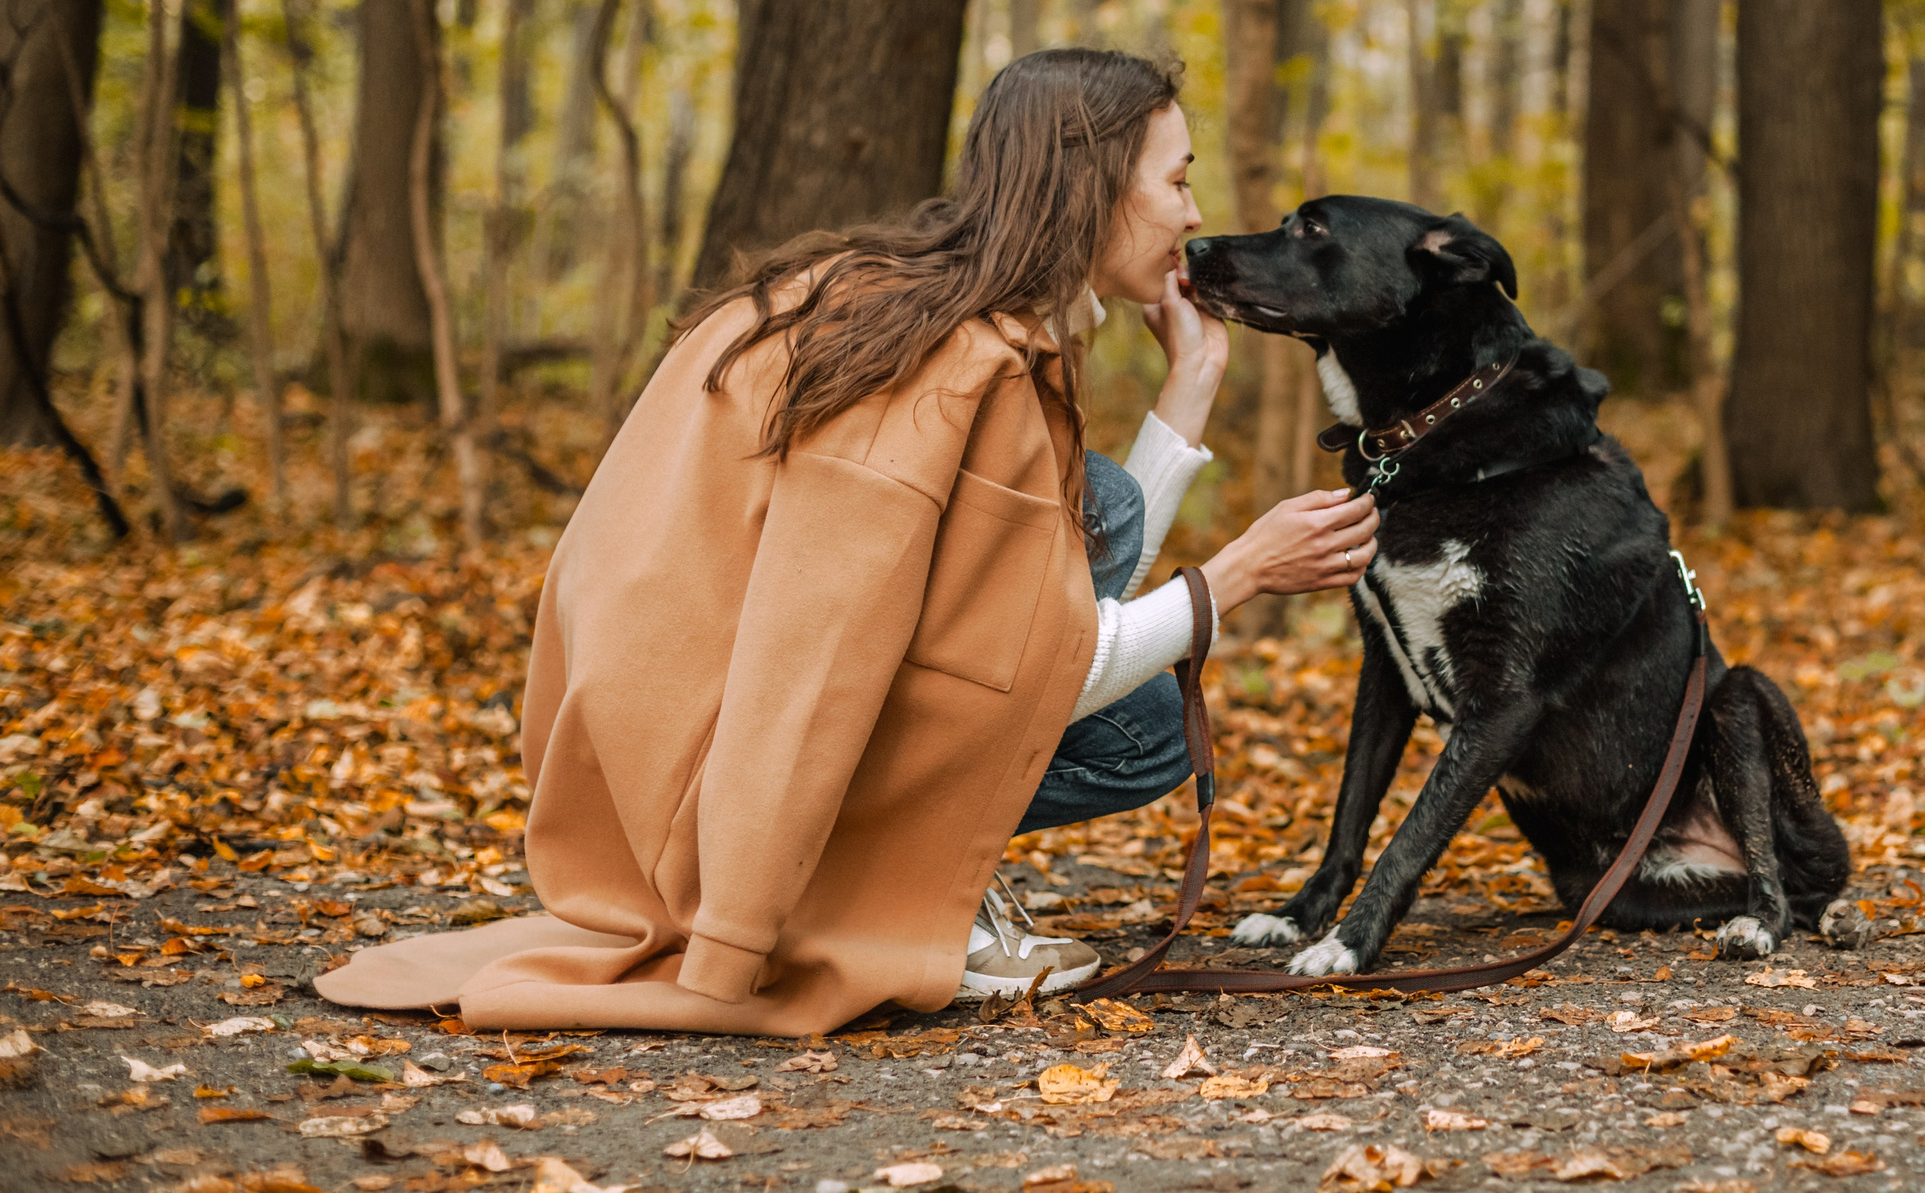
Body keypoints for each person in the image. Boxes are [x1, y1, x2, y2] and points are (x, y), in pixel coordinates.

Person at [316, 50, 1377, 1034]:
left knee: (1108, 583)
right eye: (1176, 181)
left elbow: (1032, 615)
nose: (1193, 215)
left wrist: (1189, 390)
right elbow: (884, 663)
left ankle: (897, 872)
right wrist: (1235, 578)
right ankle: (863, 889)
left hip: (661, 721)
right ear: (1093, 187)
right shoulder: (950, 366)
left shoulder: (924, 305)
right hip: (704, 780)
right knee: (1134, 690)